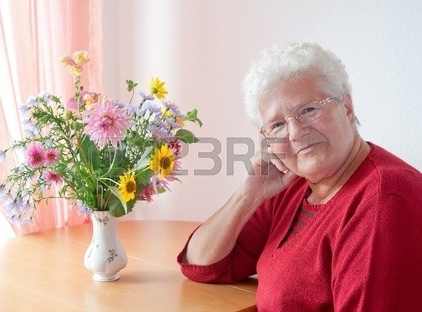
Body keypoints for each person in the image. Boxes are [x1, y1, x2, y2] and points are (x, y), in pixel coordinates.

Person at [177, 42, 422, 311]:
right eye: (277, 125)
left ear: (347, 107)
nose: (294, 132)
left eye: (308, 110)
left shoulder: (383, 200)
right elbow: (202, 264)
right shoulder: (295, 184)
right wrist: (247, 196)